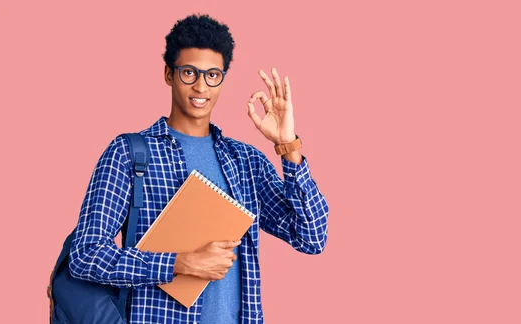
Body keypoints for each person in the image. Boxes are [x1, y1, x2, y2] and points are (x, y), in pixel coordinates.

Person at [68, 13, 329, 324]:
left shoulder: (245, 161)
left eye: (212, 75)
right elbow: (85, 255)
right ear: (169, 74)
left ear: (222, 79)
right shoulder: (129, 153)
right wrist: (178, 264)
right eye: (189, 73)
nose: (201, 86)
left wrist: (288, 146)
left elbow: (311, 237)